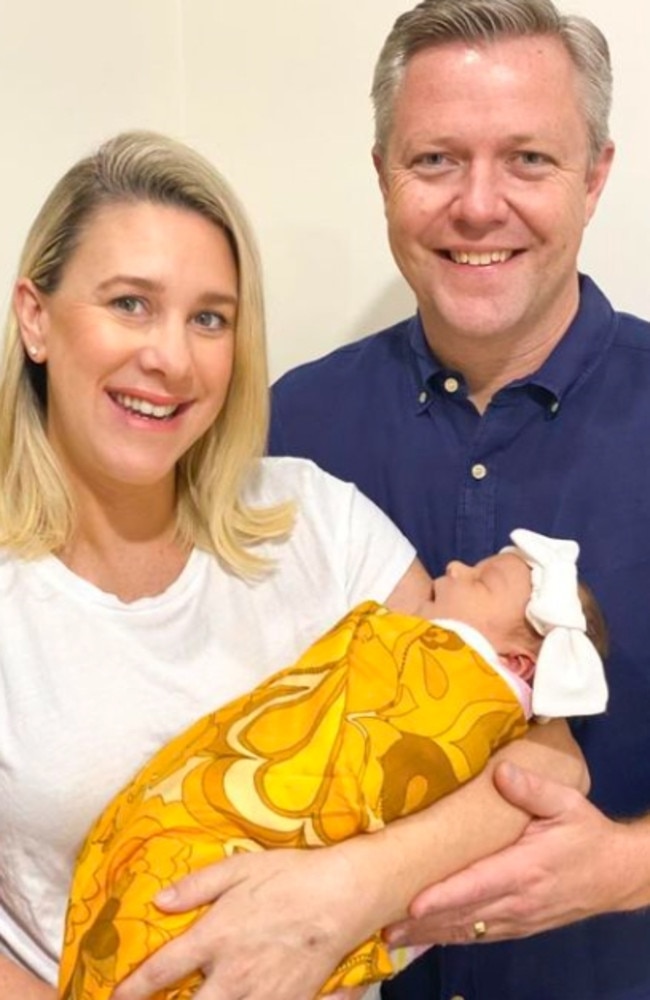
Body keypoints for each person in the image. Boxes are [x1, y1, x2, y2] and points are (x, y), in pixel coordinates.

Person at [0, 130, 584, 1000]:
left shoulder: (314, 519)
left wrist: (349, 890)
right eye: (129, 303)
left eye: (211, 318)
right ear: (35, 317)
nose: (171, 356)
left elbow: (542, 756)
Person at [269, 1, 650, 998]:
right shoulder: (281, 432)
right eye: (435, 159)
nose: (477, 207)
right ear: (382, 175)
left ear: (593, 177)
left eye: (526, 158)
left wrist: (621, 866)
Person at [59, 529, 608, 1000]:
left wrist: (352, 887)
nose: (456, 566)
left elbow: (555, 767)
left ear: (517, 664)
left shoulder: (450, 676)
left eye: (483, 580)